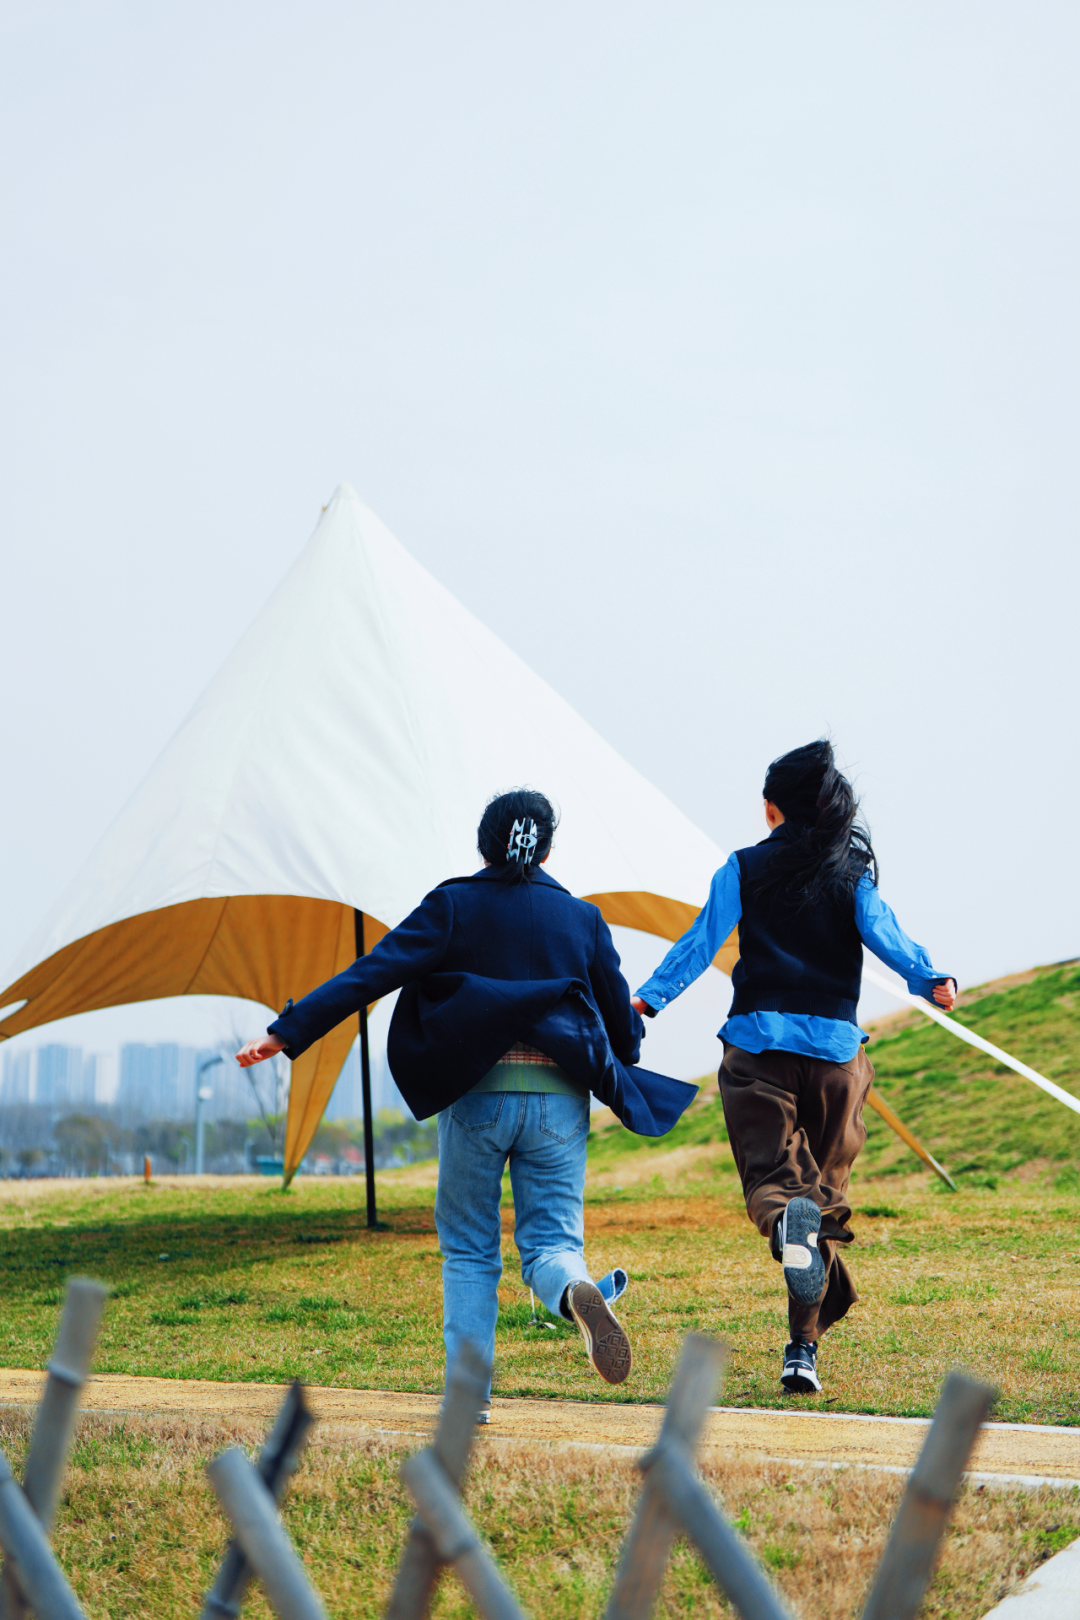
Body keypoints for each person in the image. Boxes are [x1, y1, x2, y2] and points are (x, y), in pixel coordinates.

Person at [237, 788, 697, 1419]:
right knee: (551, 1244)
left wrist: (287, 1032)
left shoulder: (452, 904)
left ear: (484, 845)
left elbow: (372, 972)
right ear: (548, 850)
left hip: (477, 1097)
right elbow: (624, 1038)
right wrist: (628, 1026)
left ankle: (467, 1398)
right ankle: (574, 1288)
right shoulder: (583, 919)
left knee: (471, 1250)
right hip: (559, 1104)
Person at [631, 741, 956, 1397]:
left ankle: (786, 1227)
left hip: (760, 1051)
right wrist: (930, 979)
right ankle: (801, 1351)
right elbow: (886, 934)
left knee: (778, 1190)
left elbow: (701, 940)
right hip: (836, 1058)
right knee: (820, 1203)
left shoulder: (744, 866)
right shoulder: (851, 872)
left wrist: (649, 999)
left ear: (772, 807)